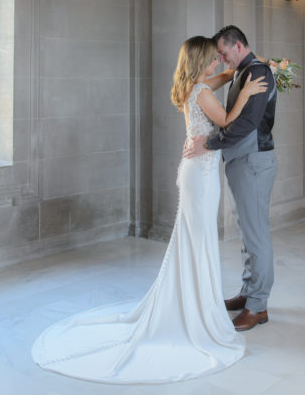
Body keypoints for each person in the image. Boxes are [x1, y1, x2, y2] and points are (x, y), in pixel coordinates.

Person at [31, 36, 267, 384]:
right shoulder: (201, 92)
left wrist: (247, 66)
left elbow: (220, 78)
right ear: (202, 59)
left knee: (193, 239)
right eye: (213, 58)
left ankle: (195, 301)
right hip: (200, 175)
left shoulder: (195, 85)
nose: (218, 62)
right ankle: (196, 311)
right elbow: (229, 121)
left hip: (196, 171)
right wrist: (246, 94)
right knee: (197, 238)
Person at [183, 25, 277, 332]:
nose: (221, 60)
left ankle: (257, 306)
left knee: (256, 234)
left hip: (252, 160)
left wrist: (209, 144)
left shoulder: (257, 72)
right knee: (247, 231)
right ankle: (248, 292)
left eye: (223, 53)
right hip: (241, 160)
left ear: (237, 46)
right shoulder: (243, 70)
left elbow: (247, 123)